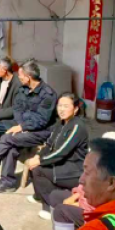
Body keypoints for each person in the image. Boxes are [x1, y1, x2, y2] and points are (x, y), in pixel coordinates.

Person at [0, 60, 57, 193]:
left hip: (42, 132)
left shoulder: (48, 94)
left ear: (28, 77)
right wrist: (22, 125)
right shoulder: (23, 89)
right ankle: (8, 182)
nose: (18, 77)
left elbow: (42, 120)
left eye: (20, 75)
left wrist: (23, 127)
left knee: (7, 138)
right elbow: (17, 110)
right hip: (24, 127)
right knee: (11, 145)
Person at [27, 93, 89, 221]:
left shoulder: (77, 126)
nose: (61, 109)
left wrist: (40, 161)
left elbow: (61, 152)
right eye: (60, 106)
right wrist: (38, 156)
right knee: (33, 164)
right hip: (62, 163)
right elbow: (49, 144)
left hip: (74, 169)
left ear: (75, 109)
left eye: (66, 106)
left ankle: (48, 207)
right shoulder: (60, 123)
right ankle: (39, 195)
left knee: (38, 170)